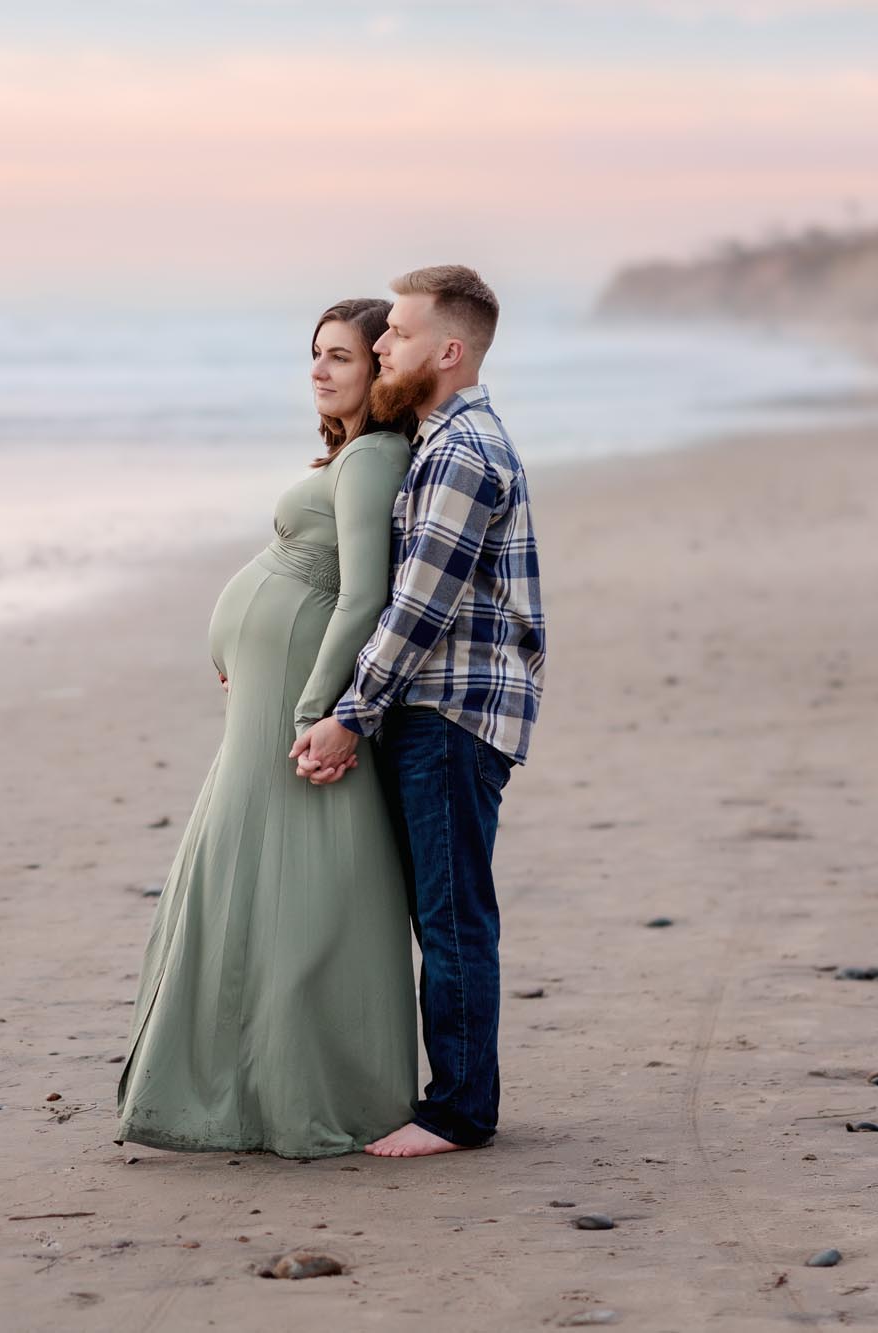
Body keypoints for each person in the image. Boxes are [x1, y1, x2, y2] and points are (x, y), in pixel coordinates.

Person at [112, 299, 420, 1158]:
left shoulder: (373, 457)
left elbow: (363, 595)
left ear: (380, 369)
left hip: (296, 689)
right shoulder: (354, 453)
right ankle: (234, 1077)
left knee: (279, 862)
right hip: (271, 679)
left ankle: (278, 1084)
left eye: (342, 357)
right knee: (244, 855)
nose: (320, 370)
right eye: (315, 354)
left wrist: (315, 707)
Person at [291, 264, 546, 1158]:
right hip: (437, 707)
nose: (382, 344)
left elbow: (418, 609)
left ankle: (460, 1109)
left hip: (449, 712)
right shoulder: (440, 442)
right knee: (445, 909)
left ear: (447, 349)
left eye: (396, 334)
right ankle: (453, 1095)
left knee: (452, 914)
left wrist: (348, 714)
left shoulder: (464, 454)